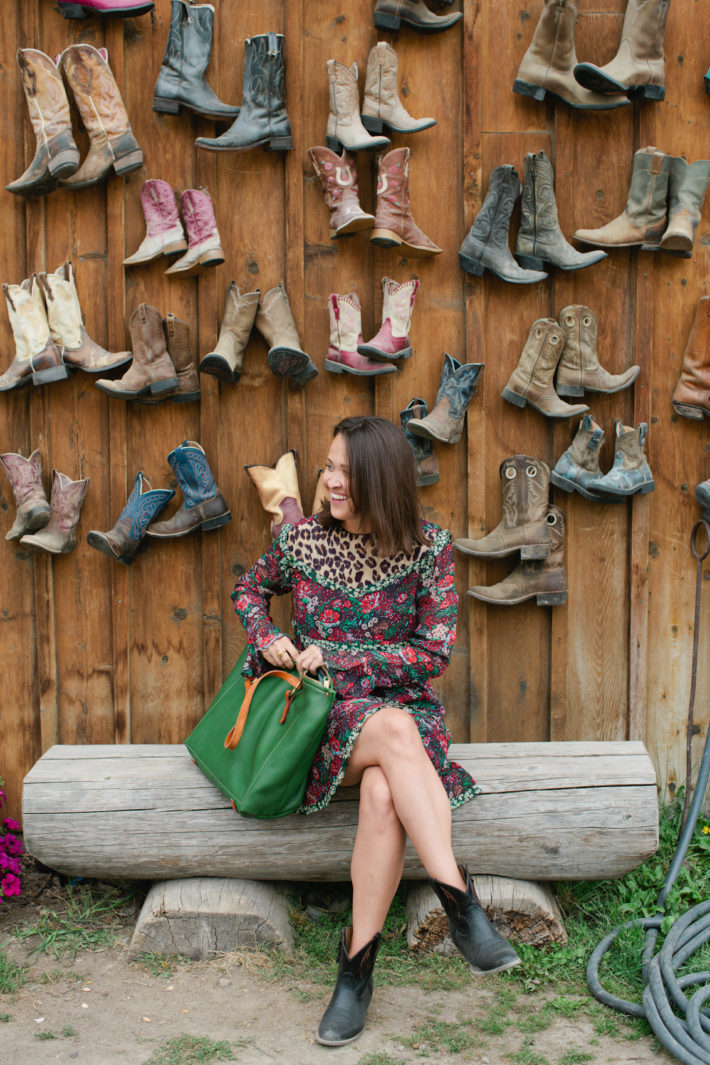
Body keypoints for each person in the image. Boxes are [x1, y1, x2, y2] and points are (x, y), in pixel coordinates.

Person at [232, 415, 520, 1047]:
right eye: (328, 467)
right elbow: (248, 592)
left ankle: (355, 971)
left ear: (381, 479)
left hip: (408, 716)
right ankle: (460, 903)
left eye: (344, 471)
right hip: (324, 718)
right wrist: (270, 636)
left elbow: (432, 655)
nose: (330, 481)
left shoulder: (430, 547)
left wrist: (343, 655)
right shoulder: (301, 541)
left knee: (386, 787)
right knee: (388, 731)